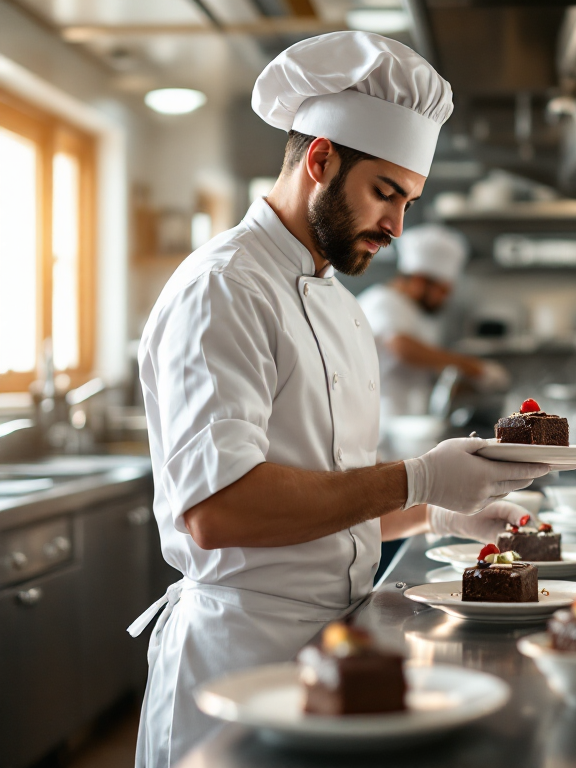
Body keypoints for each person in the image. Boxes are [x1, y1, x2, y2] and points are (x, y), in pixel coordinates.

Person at [130, 32, 548, 768]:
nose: (397, 226)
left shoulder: (338, 301)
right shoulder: (224, 287)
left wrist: (435, 510)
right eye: (386, 193)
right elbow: (218, 510)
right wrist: (416, 477)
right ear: (320, 159)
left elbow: (325, 491)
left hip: (335, 652)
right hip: (241, 662)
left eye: (408, 201)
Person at [358, 224, 508, 437]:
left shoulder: (414, 312)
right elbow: (403, 348)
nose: (444, 299)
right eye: (442, 291)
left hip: (410, 425)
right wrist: (473, 367)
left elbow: (426, 368)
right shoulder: (382, 302)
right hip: (384, 426)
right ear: (420, 280)